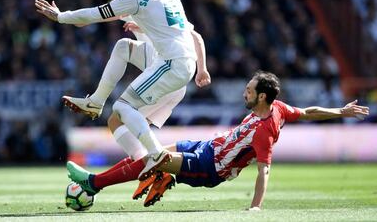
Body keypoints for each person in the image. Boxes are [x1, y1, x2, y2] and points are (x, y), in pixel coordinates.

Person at [66, 70, 370, 210]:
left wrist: (256, 208)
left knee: (151, 158)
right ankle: (160, 176)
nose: (244, 93)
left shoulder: (265, 131)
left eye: (249, 91)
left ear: (261, 96)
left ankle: (94, 184)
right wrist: (340, 110)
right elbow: (307, 112)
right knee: (151, 152)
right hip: (206, 146)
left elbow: (263, 171)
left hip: (210, 167)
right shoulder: (278, 107)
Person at [35, 0, 206, 181]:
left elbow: (96, 14)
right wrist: (202, 68)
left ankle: (155, 155)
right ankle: (97, 103)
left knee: (123, 107)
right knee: (124, 48)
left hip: (171, 63)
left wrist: (60, 17)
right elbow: (189, 31)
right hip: (178, 61)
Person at [65, 0, 210, 206]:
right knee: (123, 123)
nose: (118, 9)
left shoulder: (142, 7)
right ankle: (150, 166)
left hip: (168, 74)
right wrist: (201, 69)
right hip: (171, 80)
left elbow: (194, 37)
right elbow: (195, 36)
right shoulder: (150, 7)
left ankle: (154, 165)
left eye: (116, 1)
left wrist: (65, 17)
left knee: (119, 114)